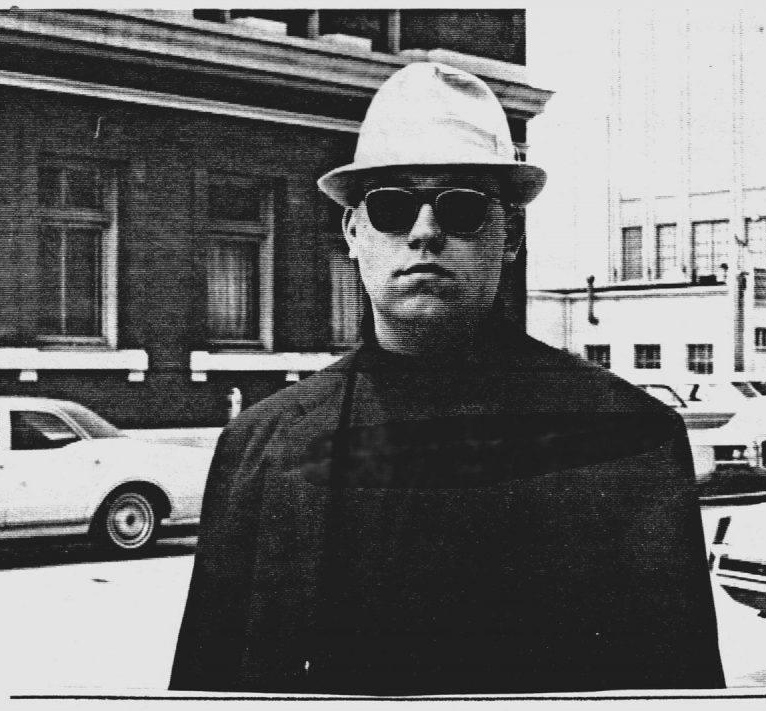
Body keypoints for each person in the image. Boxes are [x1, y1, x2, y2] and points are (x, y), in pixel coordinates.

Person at [170, 61, 724, 695]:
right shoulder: (258, 447)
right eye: (391, 206)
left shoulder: (632, 440)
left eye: (460, 207)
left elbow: (675, 693)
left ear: (510, 234)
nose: (425, 230)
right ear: (353, 232)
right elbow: (206, 691)